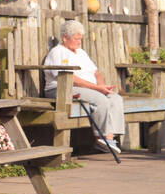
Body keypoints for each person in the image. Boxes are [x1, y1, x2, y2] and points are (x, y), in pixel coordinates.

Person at [42, 19, 124, 154]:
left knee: (115, 98)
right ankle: (100, 136)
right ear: (64, 37)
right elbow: (70, 79)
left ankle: (109, 138)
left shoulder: (81, 52)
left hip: (88, 89)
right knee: (100, 99)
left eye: (80, 39)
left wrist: (101, 85)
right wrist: (97, 89)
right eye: (76, 39)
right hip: (61, 90)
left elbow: (96, 73)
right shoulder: (57, 52)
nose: (79, 42)